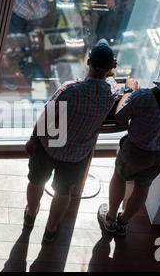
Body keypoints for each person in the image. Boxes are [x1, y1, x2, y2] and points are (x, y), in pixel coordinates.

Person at [24, 39, 120, 242]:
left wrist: (33, 139)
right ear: (112, 66)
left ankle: (31, 213)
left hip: (50, 147)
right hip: (77, 155)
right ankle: (50, 229)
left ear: (88, 62)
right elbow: (113, 81)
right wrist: (112, 70)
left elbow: (46, 116)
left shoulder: (70, 89)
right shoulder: (112, 91)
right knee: (63, 191)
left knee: (36, 180)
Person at [98, 50, 160, 236]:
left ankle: (111, 218)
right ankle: (123, 223)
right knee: (142, 187)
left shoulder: (144, 96)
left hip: (135, 151)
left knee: (120, 177)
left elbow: (120, 117)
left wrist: (129, 90)